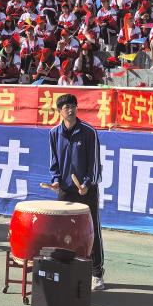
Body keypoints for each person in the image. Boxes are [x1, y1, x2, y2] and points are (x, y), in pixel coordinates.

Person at [45, 94, 105, 291]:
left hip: (86, 190)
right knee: (62, 230)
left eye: (73, 106)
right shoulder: (54, 133)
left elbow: (94, 164)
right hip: (65, 190)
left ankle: (96, 273)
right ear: (59, 111)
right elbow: (54, 162)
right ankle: (65, 270)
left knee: (91, 229)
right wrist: (55, 180)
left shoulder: (89, 132)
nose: (70, 110)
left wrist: (87, 184)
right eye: (66, 107)